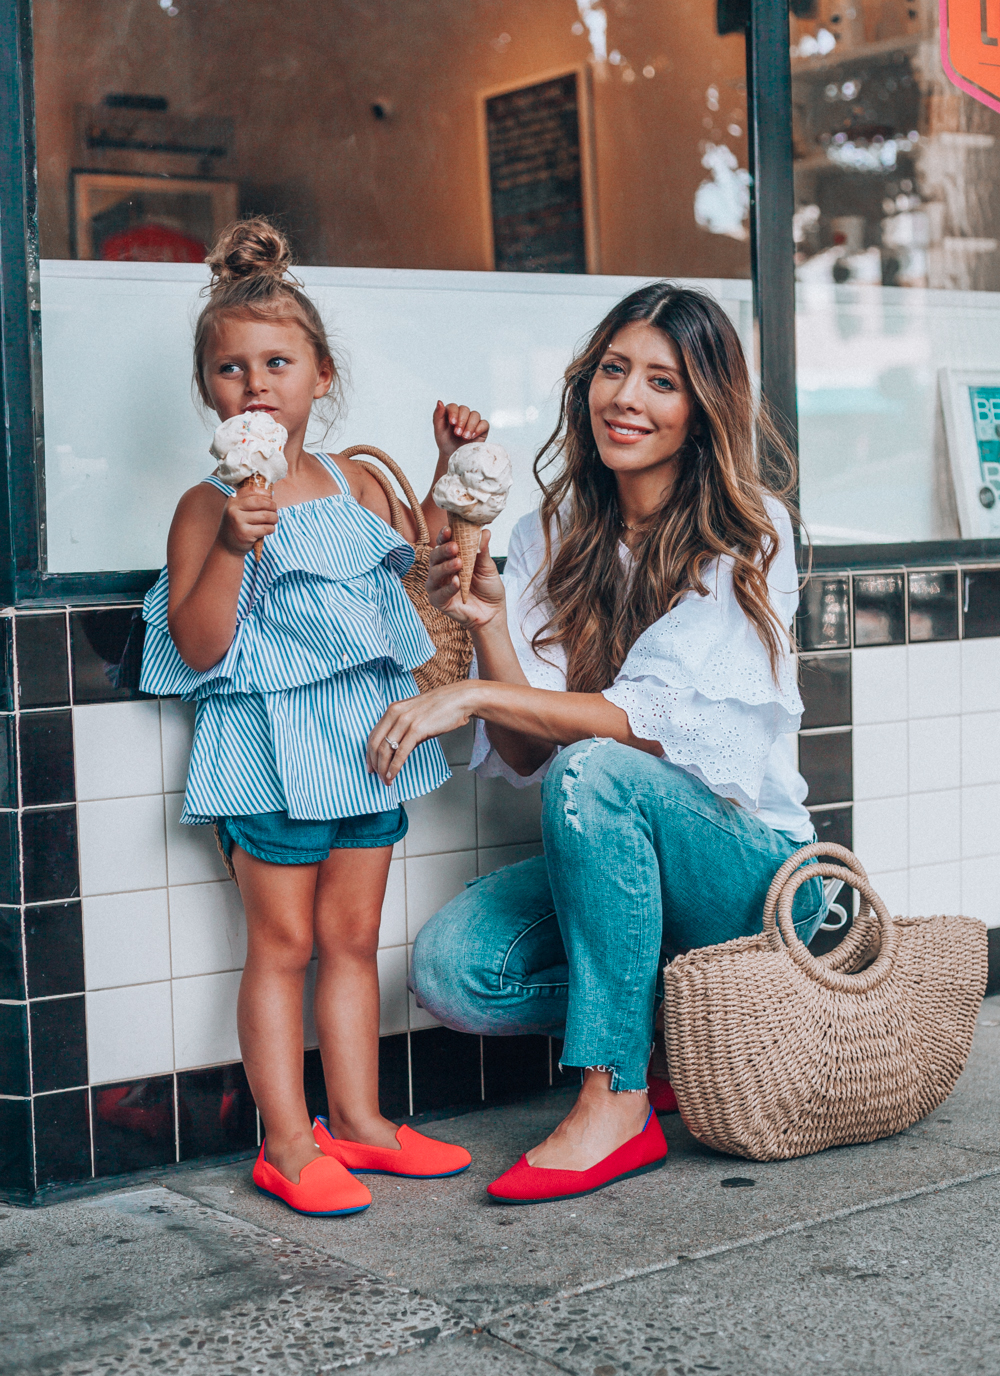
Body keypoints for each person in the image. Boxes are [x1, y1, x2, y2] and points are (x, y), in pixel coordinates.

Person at [367, 282, 828, 1205]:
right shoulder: (552, 533)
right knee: (454, 972)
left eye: (662, 380)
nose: (628, 397)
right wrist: (489, 623)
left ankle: (613, 1098)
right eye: (614, 370)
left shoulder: (749, 533)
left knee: (599, 767)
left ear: (703, 409)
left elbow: (635, 727)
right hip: (622, 878)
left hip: (755, 882)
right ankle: (667, 1037)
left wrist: (471, 691)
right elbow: (529, 752)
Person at [140, 218, 480, 1216]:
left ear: (319, 375)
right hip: (270, 751)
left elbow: (419, 573)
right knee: (280, 943)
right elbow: (200, 645)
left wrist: (442, 463)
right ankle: (287, 1140)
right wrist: (238, 544)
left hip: (364, 745)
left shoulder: (355, 481)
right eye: (232, 367)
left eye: (277, 361)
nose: (257, 382)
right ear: (209, 391)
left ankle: (362, 1121)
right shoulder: (205, 506)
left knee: (352, 933)